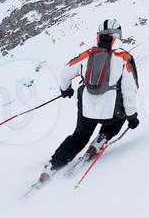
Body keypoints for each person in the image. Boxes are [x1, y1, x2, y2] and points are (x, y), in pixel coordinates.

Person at [41, 19, 139, 182]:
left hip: (87, 109)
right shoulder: (124, 57)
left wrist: (66, 89)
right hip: (111, 113)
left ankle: (52, 166)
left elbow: (65, 72)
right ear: (119, 35)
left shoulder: (88, 54)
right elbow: (130, 90)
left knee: (79, 136)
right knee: (119, 120)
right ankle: (101, 138)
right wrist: (132, 117)